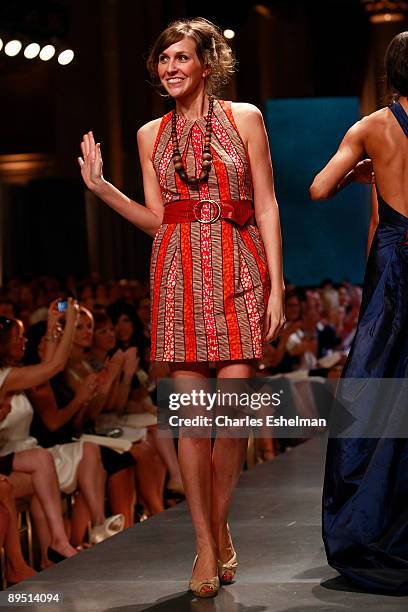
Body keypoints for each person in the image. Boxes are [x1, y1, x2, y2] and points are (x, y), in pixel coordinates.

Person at [78, 17, 285, 598]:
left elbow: (267, 205)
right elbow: (156, 219)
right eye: (163, 59)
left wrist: (278, 283)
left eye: (181, 57)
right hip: (178, 277)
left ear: (206, 64)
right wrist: (103, 190)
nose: (170, 67)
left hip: (240, 268)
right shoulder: (150, 135)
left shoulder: (246, 119)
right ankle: (204, 545)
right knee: (193, 425)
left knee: (233, 419)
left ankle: (218, 531)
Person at [310, 31, 408, 594]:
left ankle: (373, 523)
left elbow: (320, 188)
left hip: (395, 266)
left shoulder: (372, 126)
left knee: (379, 389)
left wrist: (358, 174)